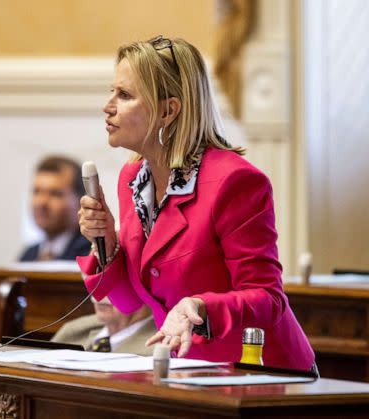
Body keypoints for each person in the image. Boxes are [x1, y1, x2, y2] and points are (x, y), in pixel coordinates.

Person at [77, 36, 315, 371]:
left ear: (168, 110)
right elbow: (129, 301)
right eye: (112, 91)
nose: (108, 105)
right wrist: (106, 242)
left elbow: (268, 299)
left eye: (125, 95)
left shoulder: (234, 182)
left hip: (260, 373)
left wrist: (199, 306)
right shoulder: (132, 178)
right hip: (188, 371)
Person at [20, 156, 91, 261]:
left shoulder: (91, 255)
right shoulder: (29, 255)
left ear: (81, 202)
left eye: (55, 194)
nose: (42, 202)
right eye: (37, 192)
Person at [52, 299, 155, 356]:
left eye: (113, 282)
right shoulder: (74, 330)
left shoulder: (159, 349)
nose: (99, 293)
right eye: (95, 281)